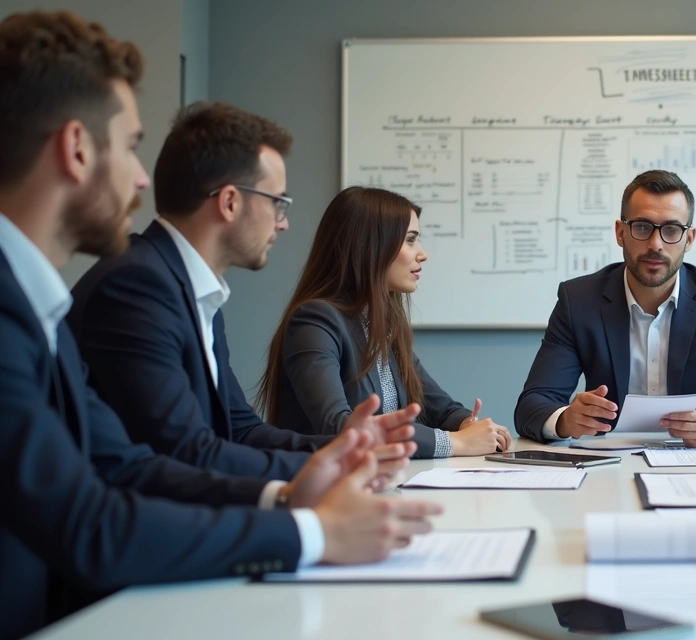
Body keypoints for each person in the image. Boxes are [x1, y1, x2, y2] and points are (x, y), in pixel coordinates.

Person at [0, 11, 440, 639]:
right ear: (75, 149)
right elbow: (96, 515)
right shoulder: (120, 287)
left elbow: (127, 463)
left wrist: (293, 491)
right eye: (128, 146)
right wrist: (307, 528)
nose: (142, 177)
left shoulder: (51, 301)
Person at [67, 101, 416, 480]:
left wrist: (349, 447)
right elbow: (185, 451)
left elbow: (240, 430)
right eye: (277, 203)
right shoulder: (138, 286)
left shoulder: (194, 291)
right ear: (230, 201)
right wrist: (331, 468)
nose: (283, 224)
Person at [514, 170, 696, 446]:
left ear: (689, 239)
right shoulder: (578, 300)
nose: (656, 245)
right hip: (607, 461)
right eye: (642, 227)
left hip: (695, 461)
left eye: (672, 230)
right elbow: (532, 404)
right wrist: (565, 419)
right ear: (620, 233)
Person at [258, 186, 511, 457]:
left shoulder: (381, 324)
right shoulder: (314, 322)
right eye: (411, 240)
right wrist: (456, 442)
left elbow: (438, 405)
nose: (422, 254)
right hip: (324, 489)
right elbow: (339, 426)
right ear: (369, 246)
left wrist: (470, 425)